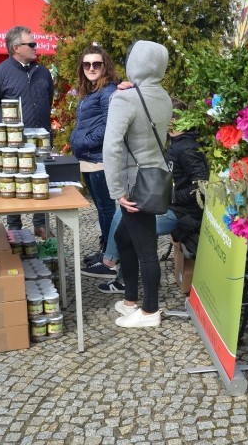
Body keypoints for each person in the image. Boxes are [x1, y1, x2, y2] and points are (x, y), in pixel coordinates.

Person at [86, 98, 209, 298]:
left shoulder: (188, 148)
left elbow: (201, 187)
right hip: (171, 205)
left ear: (171, 120)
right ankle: (111, 263)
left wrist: (169, 197)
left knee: (132, 228)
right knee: (124, 211)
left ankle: (119, 274)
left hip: (183, 213)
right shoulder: (177, 142)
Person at [103, 40, 172, 328]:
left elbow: (112, 147)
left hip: (133, 185)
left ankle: (149, 311)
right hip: (154, 179)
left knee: (145, 249)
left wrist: (116, 190)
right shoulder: (164, 97)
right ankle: (130, 299)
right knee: (122, 239)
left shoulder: (126, 98)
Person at [0, 26, 54, 237]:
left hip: (40, 141)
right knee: (13, 183)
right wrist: (6, 134)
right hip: (12, 145)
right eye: (30, 44)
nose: (35, 47)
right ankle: (14, 228)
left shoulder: (42, 72)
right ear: (16, 48)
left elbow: (47, 101)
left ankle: (40, 224)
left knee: (40, 181)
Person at [70, 44, 120, 257]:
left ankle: (109, 255)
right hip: (88, 159)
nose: (91, 68)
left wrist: (83, 142)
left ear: (104, 65)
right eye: (87, 64)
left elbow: (110, 125)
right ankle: (105, 249)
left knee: (107, 208)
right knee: (101, 208)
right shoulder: (91, 90)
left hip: (99, 159)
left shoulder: (107, 91)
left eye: (96, 64)